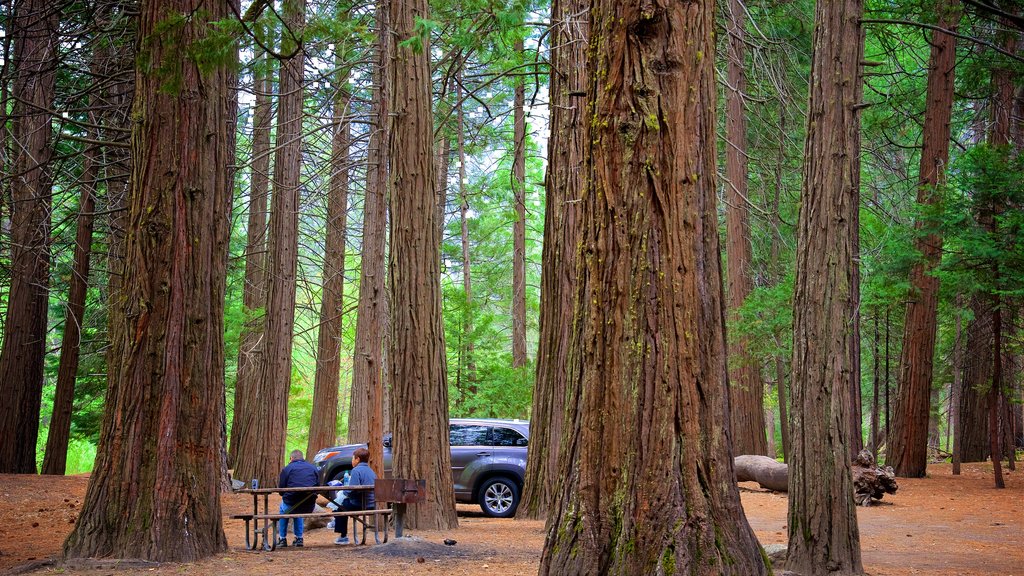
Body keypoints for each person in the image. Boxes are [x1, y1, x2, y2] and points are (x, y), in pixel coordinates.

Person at [334, 447, 377, 545]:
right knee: (342, 505)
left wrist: (344, 493)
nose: (352, 461)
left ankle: (343, 536)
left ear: (357, 459)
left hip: (360, 504)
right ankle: (335, 519)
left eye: (353, 458)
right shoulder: (372, 472)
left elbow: (352, 489)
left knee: (341, 506)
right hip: (372, 504)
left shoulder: (356, 471)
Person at [277, 449, 319, 547]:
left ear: (291, 458)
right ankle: (299, 538)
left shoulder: (287, 469)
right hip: (309, 505)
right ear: (302, 458)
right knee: (299, 509)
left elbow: (281, 490)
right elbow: (318, 486)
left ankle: (282, 538)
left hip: (291, 503)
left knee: (284, 509)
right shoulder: (313, 468)